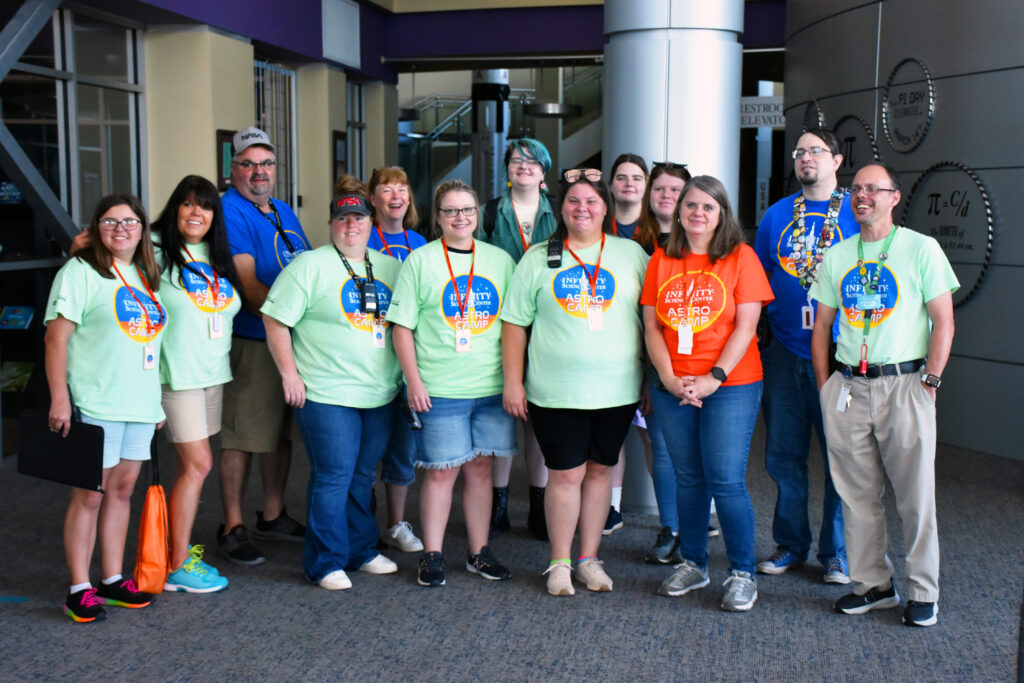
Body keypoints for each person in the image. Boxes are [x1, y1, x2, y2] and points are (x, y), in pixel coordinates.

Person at [810, 163, 957, 628]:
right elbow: (822, 329)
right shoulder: (839, 255)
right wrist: (826, 384)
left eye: (874, 189)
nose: (863, 195)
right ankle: (872, 585)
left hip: (905, 385)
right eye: (856, 189)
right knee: (856, 496)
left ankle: (923, 591)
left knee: (915, 496)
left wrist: (930, 381)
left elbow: (944, 321)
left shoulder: (921, 249)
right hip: (849, 388)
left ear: (895, 197)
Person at [501, 168, 649, 596]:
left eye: (591, 202)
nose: (582, 209)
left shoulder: (630, 254)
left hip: (617, 390)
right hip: (555, 390)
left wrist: (648, 379)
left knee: (601, 473)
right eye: (573, 202)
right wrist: (514, 382)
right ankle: (560, 563)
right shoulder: (537, 258)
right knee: (564, 476)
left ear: (606, 208)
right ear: (560, 208)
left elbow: (648, 323)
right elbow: (514, 325)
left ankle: (589, 558)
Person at [644, 175, 773, 612]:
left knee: (725, 480)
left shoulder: (741, 257)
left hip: (730, 384)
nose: (698, 213)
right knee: (688, 478)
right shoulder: (661, 258)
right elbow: (651, 327)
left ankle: (742, 572)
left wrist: (714, 376)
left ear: (722, 214)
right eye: (691, 205)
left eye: (708, 207)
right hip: (674, 385)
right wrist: (667, 377)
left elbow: (747, 327)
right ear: (678, 212)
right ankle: (694, 563)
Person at [262, 192, 403, 590]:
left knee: (362, 476)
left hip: (379, 392)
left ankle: (360, 550)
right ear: (331, 224)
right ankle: (324, 561)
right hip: (325, 392)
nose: (351, 225)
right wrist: (289, 374)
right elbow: (274, 319)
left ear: (371, 223)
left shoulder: (391, 268)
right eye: (343, 219)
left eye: (358, 218)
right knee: (333, 475)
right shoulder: (309, 266)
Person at [388, 179, 517, 587]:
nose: (460, 218)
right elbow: (401, 328)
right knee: (441, 472)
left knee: (481, 470)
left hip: (491, 387)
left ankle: (478, 553)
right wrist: (413, 381)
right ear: (437, 217)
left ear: (478, 214)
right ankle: (432, 554)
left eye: (468, 210)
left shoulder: (499, 261)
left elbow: (514, 326)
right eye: (451, 211)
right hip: (439, 388)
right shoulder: (421, 261)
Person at [45, 194, 166, 622]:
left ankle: (111, 580)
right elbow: (56, 339)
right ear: (96, 228)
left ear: (142, 229)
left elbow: (150, 341)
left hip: (139, 403)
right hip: (96, 401)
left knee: (121, 492)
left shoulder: (145, 274)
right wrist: (60, 397)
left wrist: (155, 403)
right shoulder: (80, 272)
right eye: (110, 222)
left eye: (130, 221)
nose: (121, 229)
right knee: (90, 496)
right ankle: (80, 587)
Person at [753, 128, 857, 584]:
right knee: (783, 456)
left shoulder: (860, 209)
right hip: (783, 353)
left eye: (816, 150)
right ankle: (791, 544)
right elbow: (757, 284)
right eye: (799, 152)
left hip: (842, 357)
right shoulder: (777, 215)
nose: (806, 158)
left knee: (842, 457)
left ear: (836, 160)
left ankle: (836, 553)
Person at [217, 126, 311, 565]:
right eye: (249, 164)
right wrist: (287, 321)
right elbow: (248, 283)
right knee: (241, 436)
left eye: (266, 163)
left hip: (289, 340)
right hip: (253, 340)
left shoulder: (280, 209)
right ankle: (232, 525)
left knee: (278, 433)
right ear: (233, 169)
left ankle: (272, 514)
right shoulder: (230, 211)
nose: (259, 171)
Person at [154, 176, 240, 593]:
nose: (195, 213)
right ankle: (176, 564)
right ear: (175, 210)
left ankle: (178, 550)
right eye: (187, 205)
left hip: (211, 374)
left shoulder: (215, 255)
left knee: (192, 469)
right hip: (176, 376)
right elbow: (95, 247)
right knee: (199, 464)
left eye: (204, 206)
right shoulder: (153, 250)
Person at [477, 138, 558, 541]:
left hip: (546, 325)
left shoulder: (558, 212)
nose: (522, 166)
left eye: (531, 161)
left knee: (538, 420)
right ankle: (498, 503)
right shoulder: (489, 212)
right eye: (515, 161)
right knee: (500, 416)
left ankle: (540, 505)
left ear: (544, 171)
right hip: (497, 324)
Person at [632, 161, 698, 563]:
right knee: (663, 448)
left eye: (676, 190)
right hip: (653, 364)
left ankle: (691, 527)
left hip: (702, 365)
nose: (667, 197)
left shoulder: (704, 240)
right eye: (660, 189)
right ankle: (671, 527)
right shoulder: (637, 243)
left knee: (698, 453)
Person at [365, 166, 426, 554]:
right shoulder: (361, 234)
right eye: (386, 189)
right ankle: (360, 520)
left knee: (404, 445)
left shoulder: (419, 241)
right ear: (373, 199)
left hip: (408, 353)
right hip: (367, 352)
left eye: (401, 188)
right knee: (367, 444)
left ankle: (396, 524)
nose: (395, 195)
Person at [602, 154, 650, 536]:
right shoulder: (599, 225)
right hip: (607, 341)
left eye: (637, 177)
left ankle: (673, 518)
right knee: (612, 433)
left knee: (652, 435)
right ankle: (611, 508)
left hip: (647, 342)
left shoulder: (656, 231)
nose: (629, 184)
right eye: (621, 177)